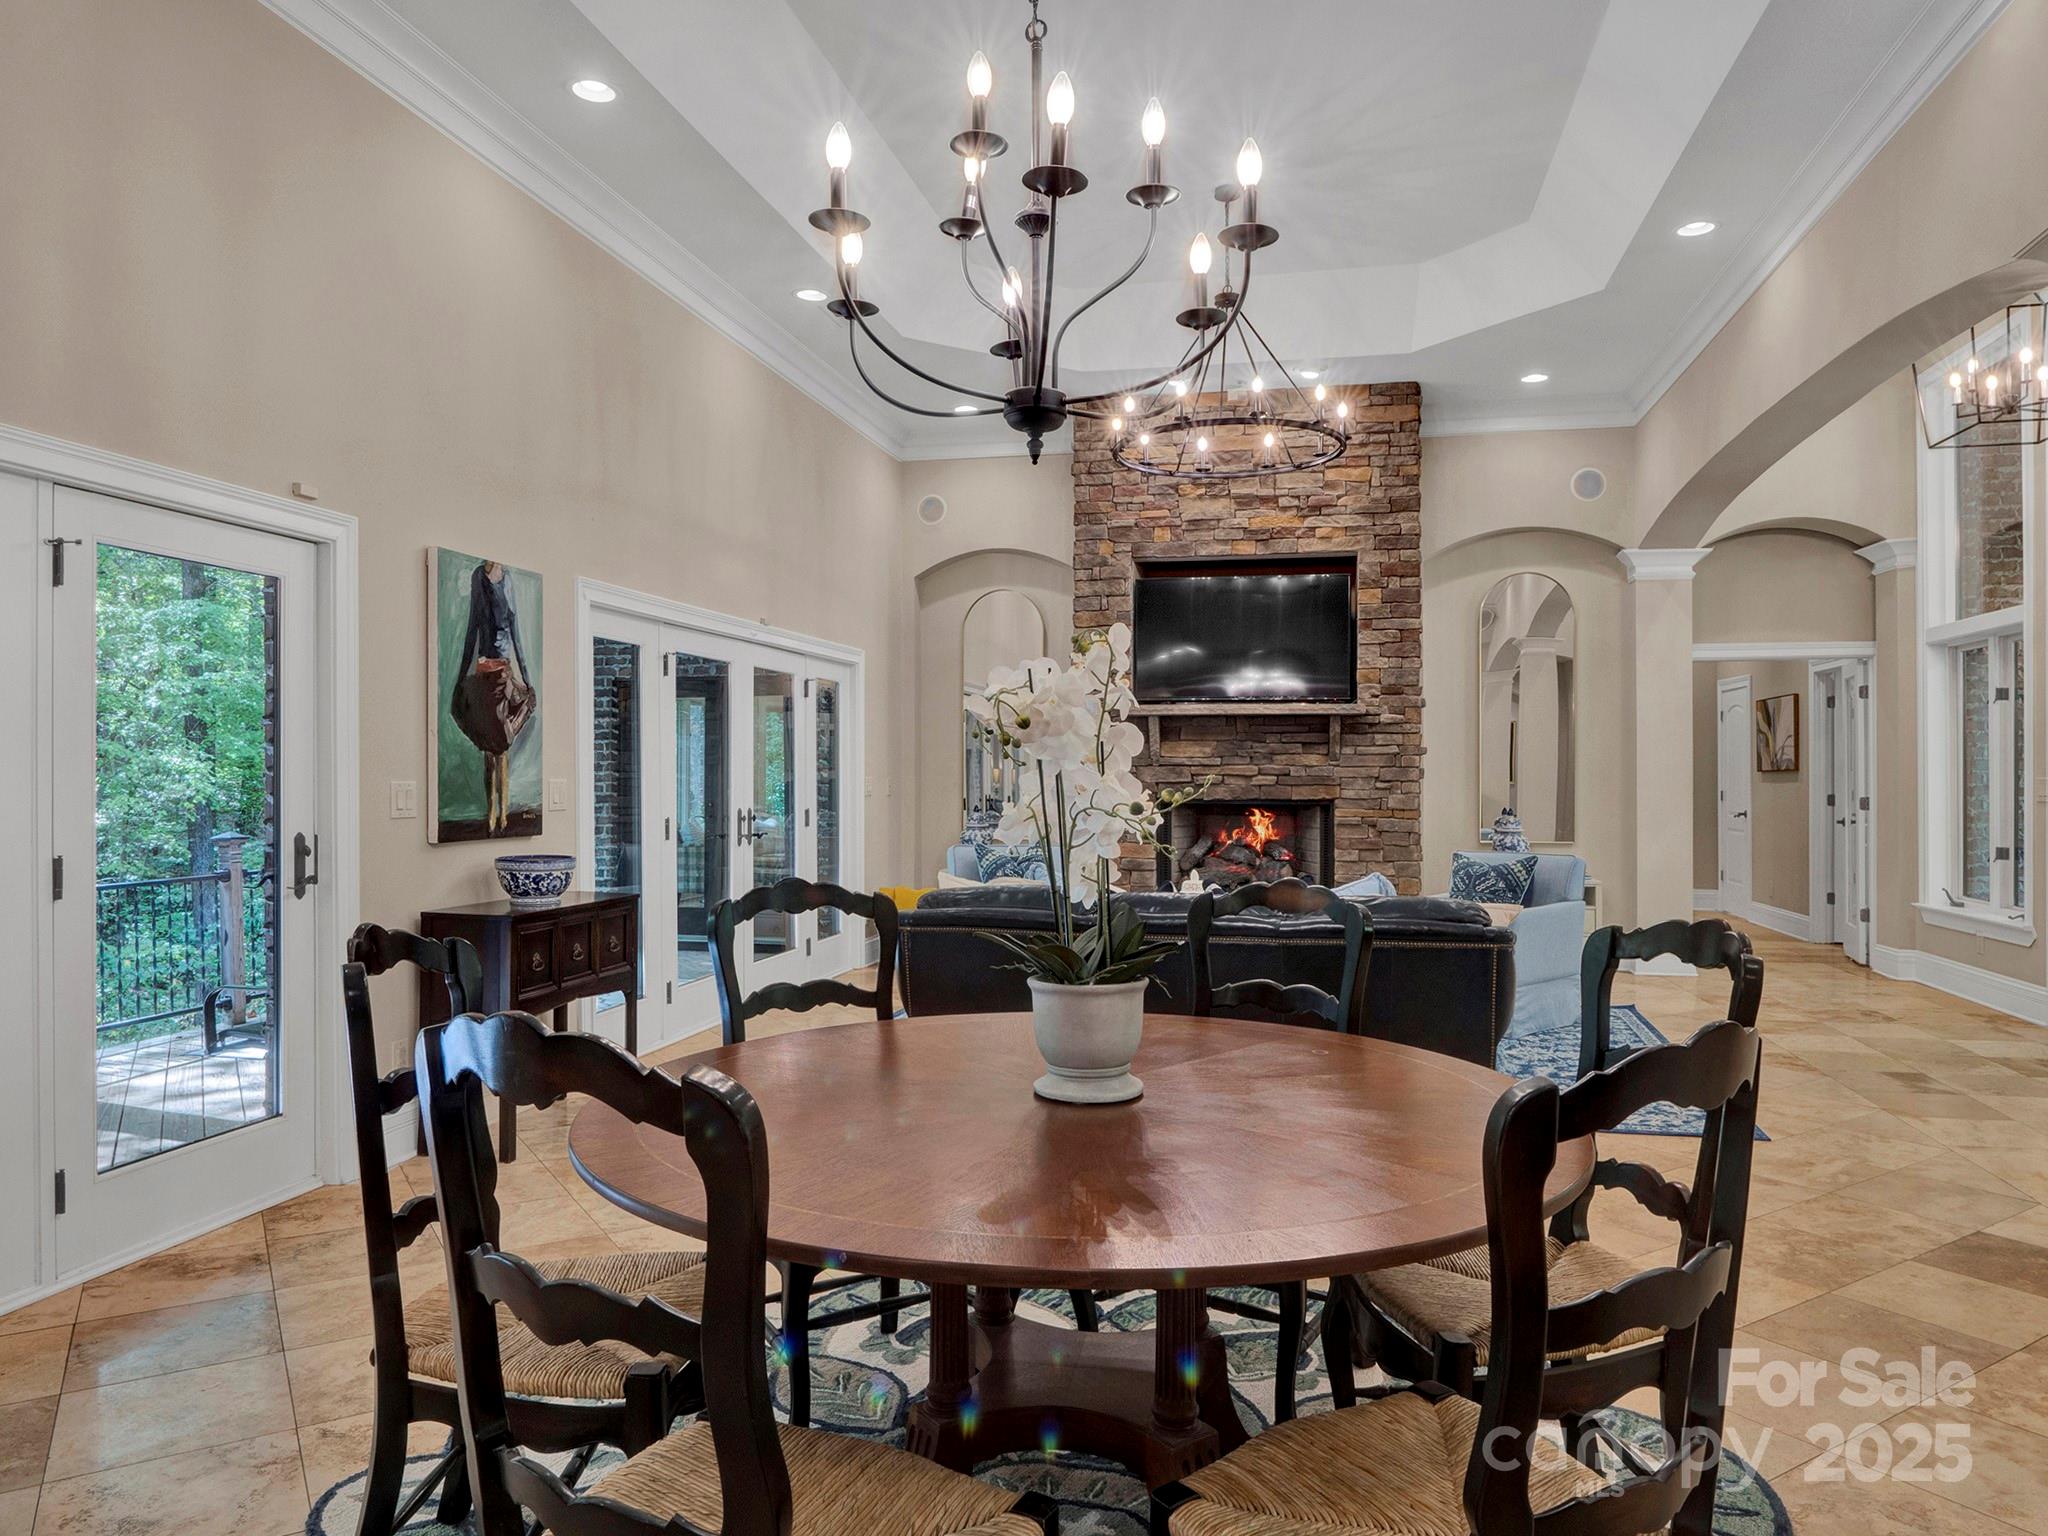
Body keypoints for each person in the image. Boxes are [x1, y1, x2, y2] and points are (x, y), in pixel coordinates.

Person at [450, 558, 535, 834]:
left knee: (500, 745)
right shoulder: (478, 577)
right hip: (484, 671)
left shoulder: (507, 580)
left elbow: (516, 631)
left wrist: (527, 677)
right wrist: (461, 677)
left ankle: (503, 815)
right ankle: (492, 814)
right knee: (490, 748)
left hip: (504, 674)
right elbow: (472, 628)